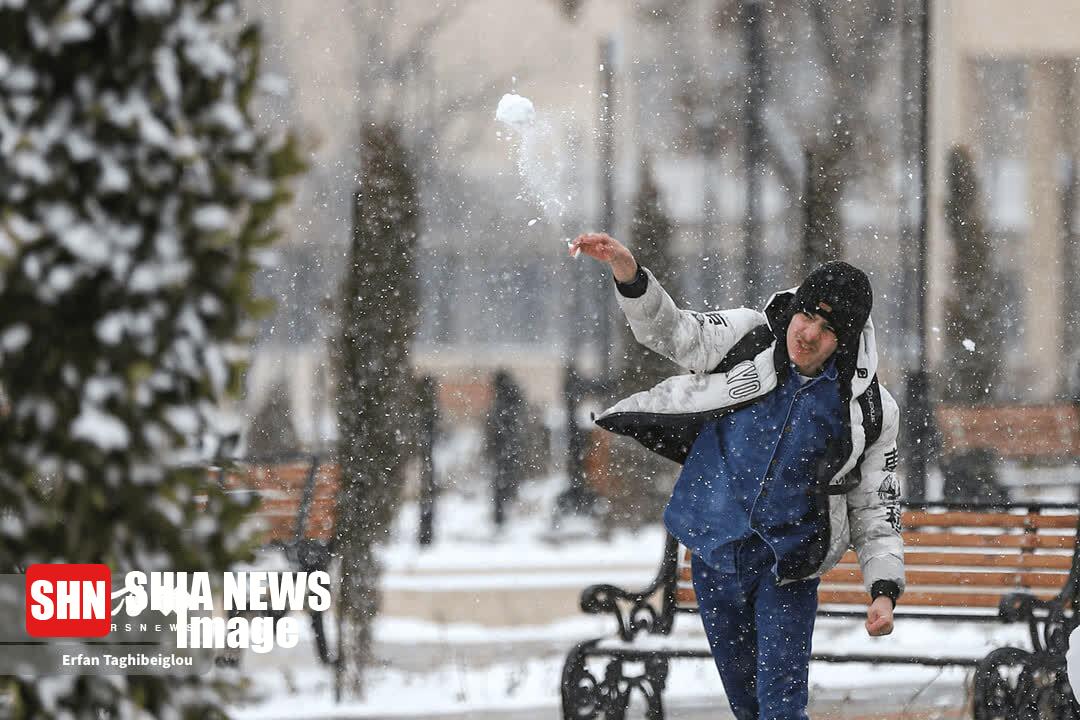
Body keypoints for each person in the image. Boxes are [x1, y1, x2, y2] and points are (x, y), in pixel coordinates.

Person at [568, 232, 904, 720]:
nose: (807, 333)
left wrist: (883, 589)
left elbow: (878, 506)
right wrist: (630, 275)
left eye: (826, 329)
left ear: (844, 341)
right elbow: (677, 332)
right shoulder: (750, 338)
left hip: (787, 566)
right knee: (748, 708)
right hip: (715, 552)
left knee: (780, 709)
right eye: (806, 313)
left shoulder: (867, 410)